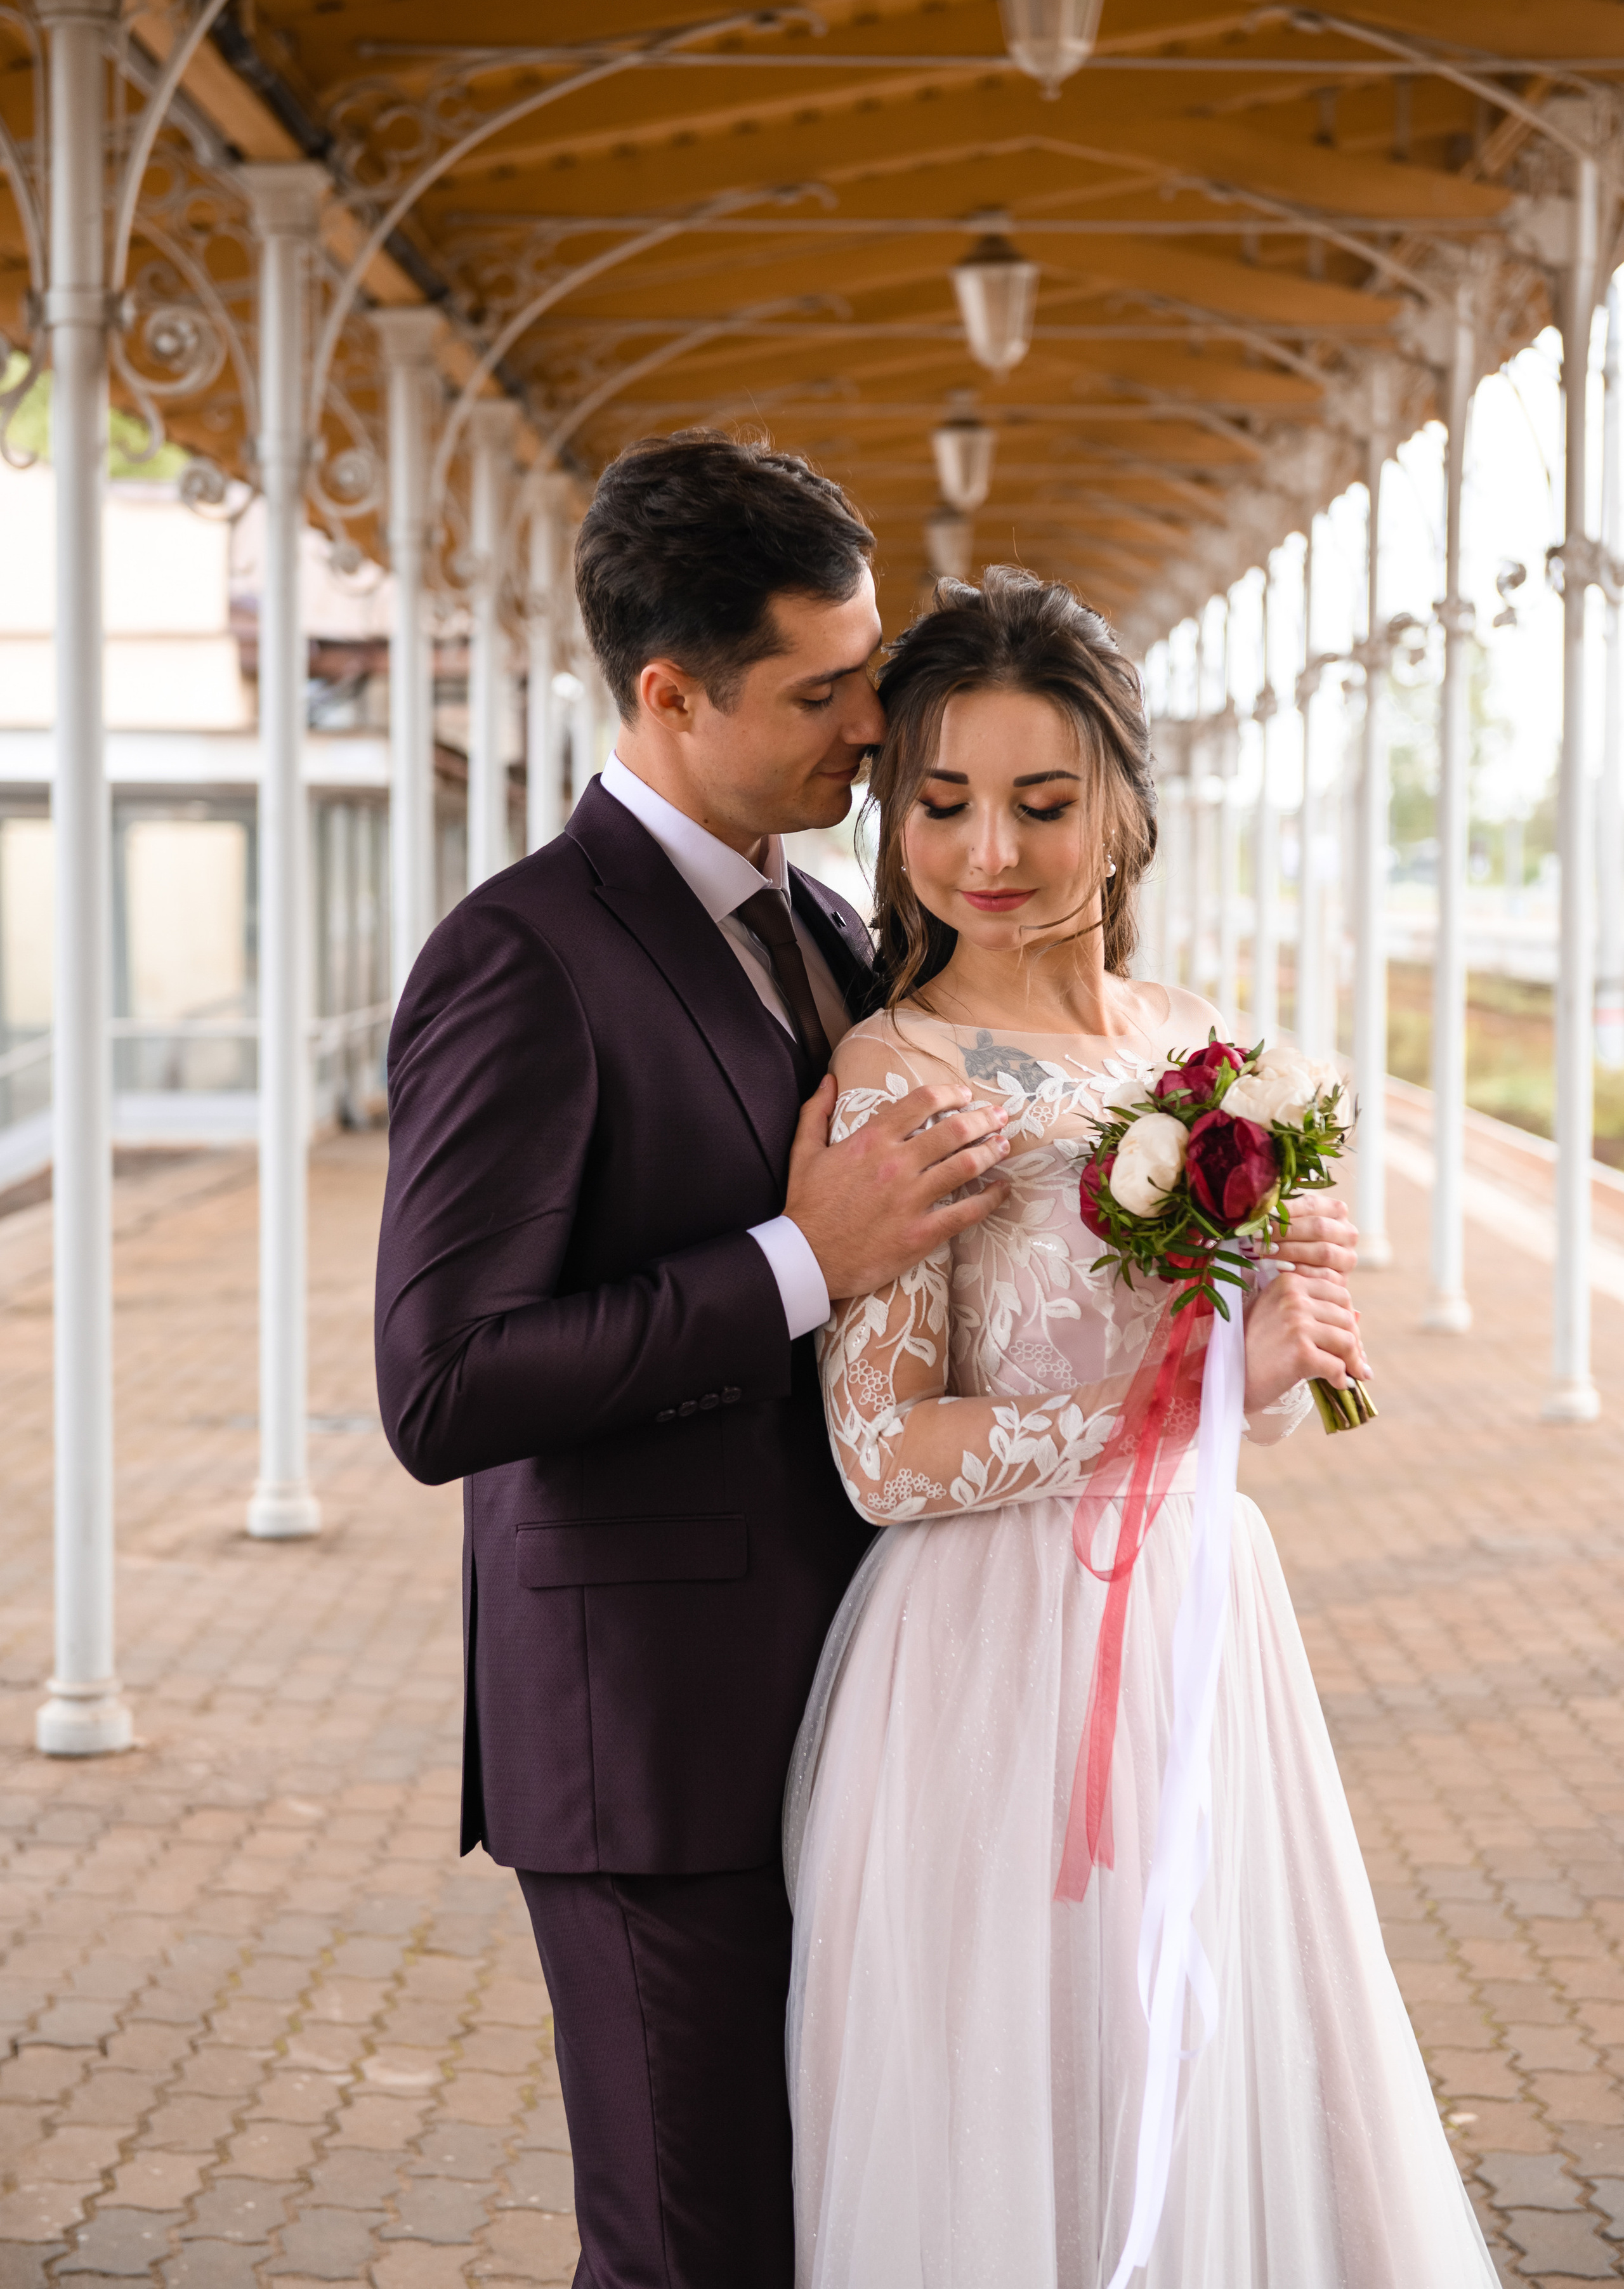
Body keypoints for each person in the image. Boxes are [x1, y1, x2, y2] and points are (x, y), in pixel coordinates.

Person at [785, 569, 1498, 2288]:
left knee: (1233, 2054)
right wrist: (1188, 1390)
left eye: (1042, 802)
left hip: (1200, 1621)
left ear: (1126, 799)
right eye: (944, 805)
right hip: (982, 1664)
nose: (991, 854)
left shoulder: (1205, 1049)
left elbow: (1247, 1366)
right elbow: (884, 1459)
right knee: (1022, 2094)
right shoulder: (899, 1074)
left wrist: (1287, 1311)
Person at [374, 433, 1016, 2289]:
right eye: (824, 692)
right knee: (689, 2250)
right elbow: (444, 1383)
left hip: (852, 1700)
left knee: (819, 2229)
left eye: (873, 672)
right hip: (647, 1732)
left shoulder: (824, 927)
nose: (872, 730)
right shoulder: (522, 957)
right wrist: (798, 1262)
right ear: (668, 692)